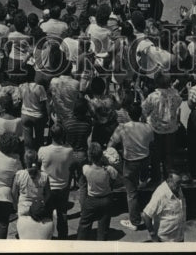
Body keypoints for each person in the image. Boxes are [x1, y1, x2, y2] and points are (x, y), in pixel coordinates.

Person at [114, 101, 155, 232]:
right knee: (141, 184)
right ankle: (143, 183)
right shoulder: (148, 127)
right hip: (145, 160)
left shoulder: (122, 127)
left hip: (131, 162)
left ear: (128, 114)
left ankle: (135, 221)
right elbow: (151, 142)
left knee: (131, 193)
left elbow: (112, 142)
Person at [141, 71, 183, 182]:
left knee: (156, 157)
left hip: (156, 129)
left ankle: (156, 180)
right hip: (171, 129)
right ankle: (168, 179)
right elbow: (179, 102)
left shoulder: (152, 97)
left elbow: (144, 109)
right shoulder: (175, 94)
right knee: (169, 157)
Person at [75, 141, 119, 240]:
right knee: (103, 227)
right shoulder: (109, 169)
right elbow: (115, 176)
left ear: (89, 156)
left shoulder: (86, 169)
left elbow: (84, 171)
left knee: (84, 224)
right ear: (101, 155)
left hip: (91, 200)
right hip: (106, 199)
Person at [38, 122, 74, 240]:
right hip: (63, 186)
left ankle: (47, 236)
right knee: (62, 213)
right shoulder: (69, 150)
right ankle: (63, 238)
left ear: (51, 135)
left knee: (47, 215)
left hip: (48, 188)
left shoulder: (43, 150)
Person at [142, 170, 186, 243]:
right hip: (165, 240)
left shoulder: (176, 188)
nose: (180, 186)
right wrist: (153, 235)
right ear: (169, 181)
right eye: (178, 183)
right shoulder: (160, 194)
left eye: (181, 183)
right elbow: (146, 215)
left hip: (178, 237)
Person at [12, 151, 51, 226]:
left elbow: (14, 193)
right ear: (37, 160)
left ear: (25, 161)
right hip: (38, 209)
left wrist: (15, 207)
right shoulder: (44, 176)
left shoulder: (19, 174)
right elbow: (48, 194)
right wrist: (43, 203)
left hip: (23, 208)